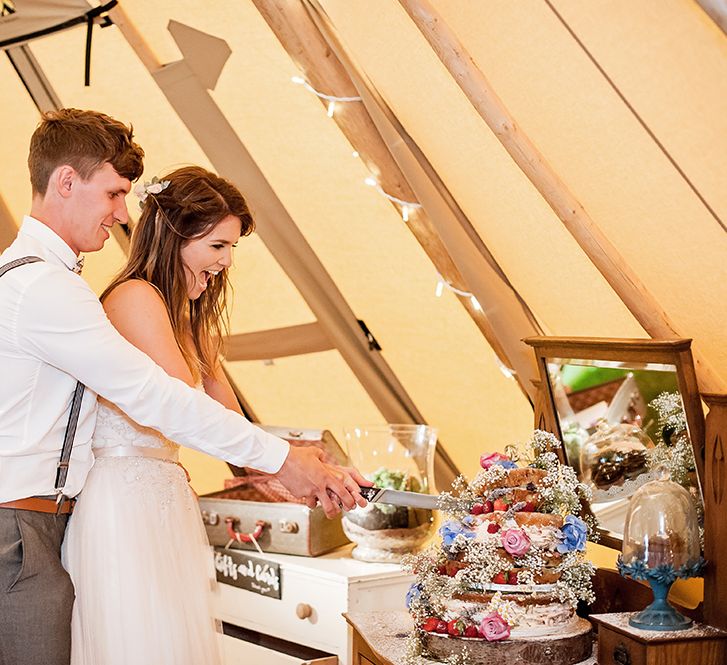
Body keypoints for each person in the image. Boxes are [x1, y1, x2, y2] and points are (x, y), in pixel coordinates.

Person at [0, 109, 368, 665]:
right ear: (66, 182)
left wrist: (306, 469)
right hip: (31, 525)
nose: (123, 213)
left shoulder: (53, 283)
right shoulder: (44, 287)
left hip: (47, 520)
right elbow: (161, 400)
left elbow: (218, 417)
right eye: (113, 194)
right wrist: (285, 461)